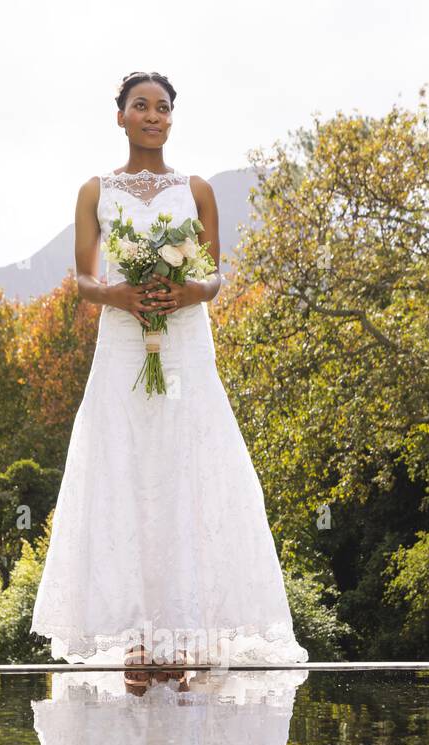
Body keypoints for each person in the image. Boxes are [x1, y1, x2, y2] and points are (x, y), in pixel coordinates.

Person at [30, 69, 309, 681]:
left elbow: (214, 276)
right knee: (126, 467)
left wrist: (187, 292)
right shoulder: (94, 191)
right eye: (140, 106)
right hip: (123, 344)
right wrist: (119, 295)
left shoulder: (199, 190)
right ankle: (135, 636)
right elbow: (82, 280)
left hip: (184, 344)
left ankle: (184, 632)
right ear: (121, 116)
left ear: (171, 118)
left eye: (162, 107)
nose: (152, 116)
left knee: (187, 465)